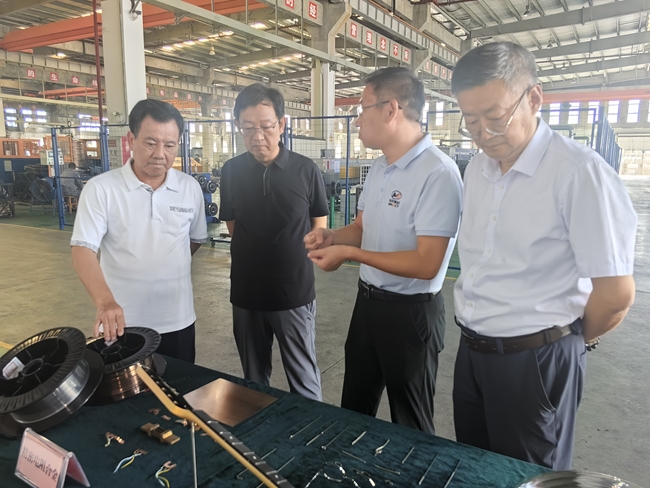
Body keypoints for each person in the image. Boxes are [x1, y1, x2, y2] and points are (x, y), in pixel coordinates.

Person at [451, 42, 637, 470]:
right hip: (473, 353)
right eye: (471, 120)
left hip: (536, 360)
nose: (483, 132)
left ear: (534, 98)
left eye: (494, 117)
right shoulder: (477, 170)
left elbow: (615, 294)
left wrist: (566, 340)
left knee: (532, 477)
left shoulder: (578, 173)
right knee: (475, 469)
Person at [304, 67, 463, 433]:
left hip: (411, 315)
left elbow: (426, 264)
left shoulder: (438, 173)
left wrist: (351, 255)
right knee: (354, 409)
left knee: (410, 422)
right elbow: (362, 229)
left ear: (391, 109)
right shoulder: (378, 168)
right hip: (368, 306)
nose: (357, 119)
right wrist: (332, 238)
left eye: (363, 107)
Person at [70, 99, 208, 362]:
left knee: (179, 383)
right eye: (150, 142)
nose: (160, 153)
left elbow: (194, 240)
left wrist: (163, 263)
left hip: (178, 320)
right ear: (131, 140)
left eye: (170, 145)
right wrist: (105, 302)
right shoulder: (101, 189)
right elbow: (82, 250)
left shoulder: (189, 187)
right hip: (123, 323)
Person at [219, 84, 328, 400]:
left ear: (281, 124)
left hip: (293, 292)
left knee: (304, 379)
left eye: (266, 127)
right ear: (238, 126)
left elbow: (319, 224)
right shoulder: (231, 171)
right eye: (248, 128)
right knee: (254, 381)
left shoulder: (305, 170)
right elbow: (232, 225)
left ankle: (310, 427)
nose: (258, 137)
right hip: (246, 293)